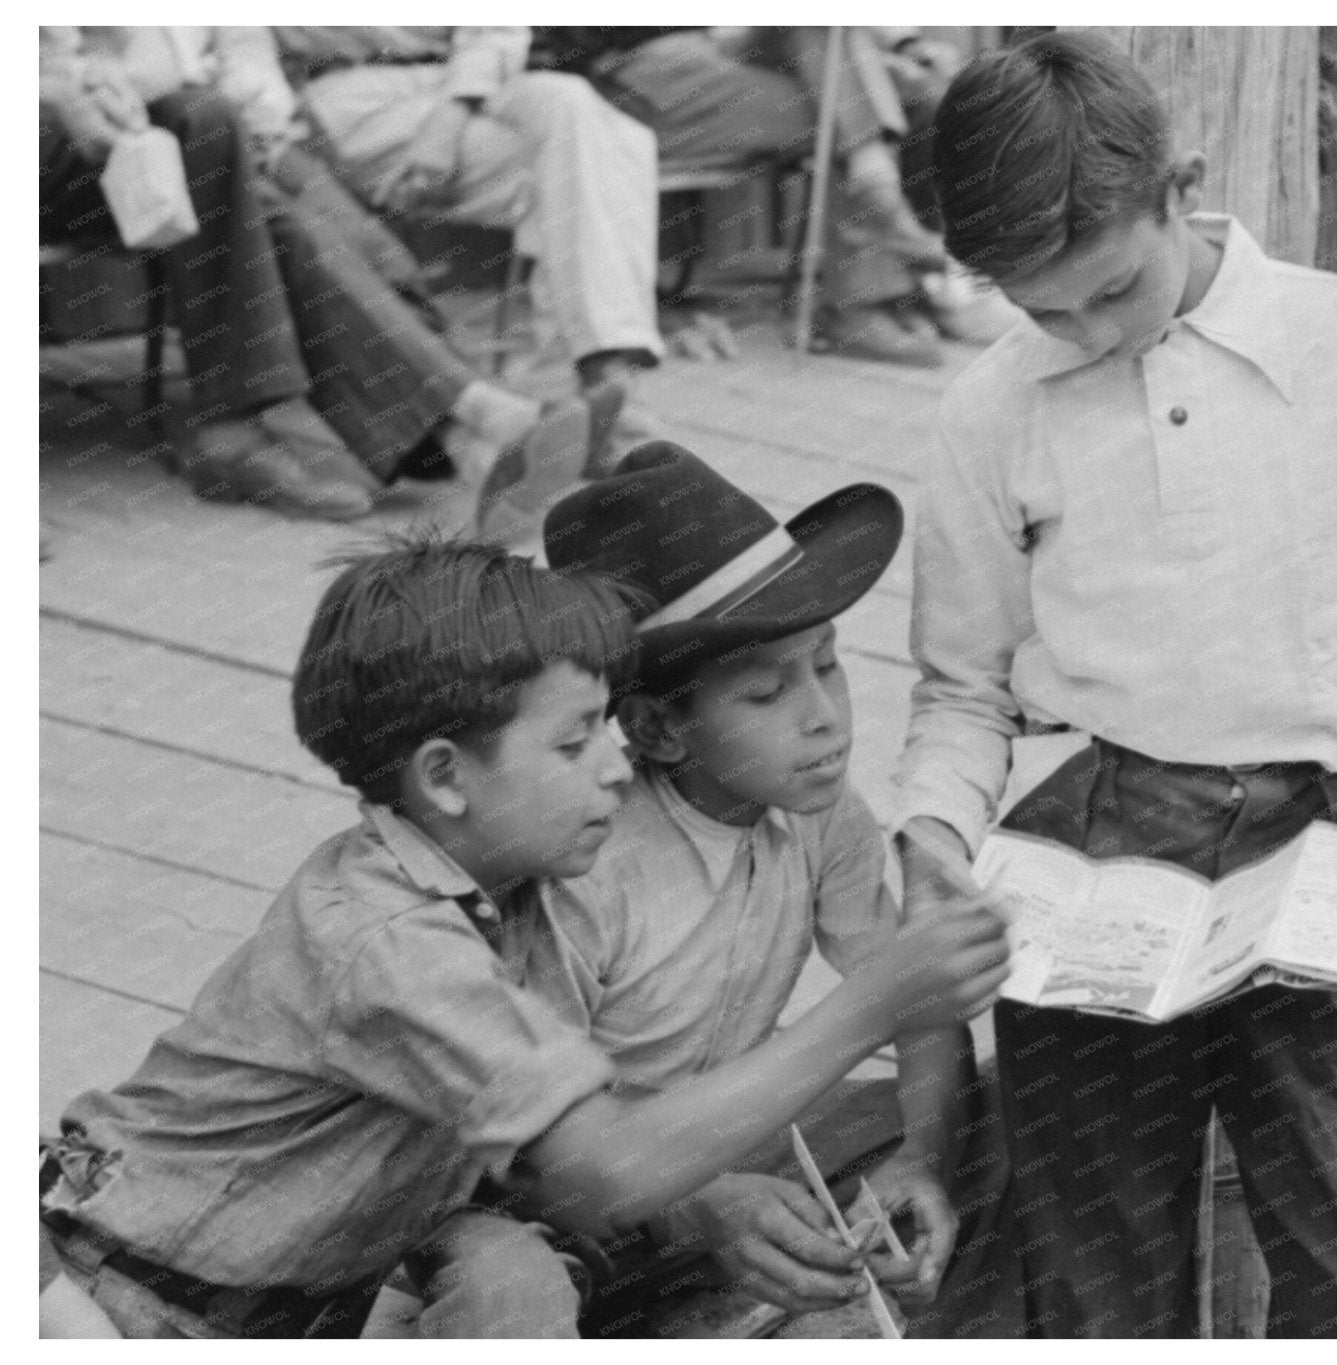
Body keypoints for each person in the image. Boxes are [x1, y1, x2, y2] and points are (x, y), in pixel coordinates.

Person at [893, 32, 1337, 1338]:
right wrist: (931, 837)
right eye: (1042, 310)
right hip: (1099, 847)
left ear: (1179, 188)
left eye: (1112, 289)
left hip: (1327, 842)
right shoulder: (989, 410)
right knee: (1096, 1273)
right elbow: (961, 689)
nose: (1086, 334)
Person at [37, 537, 1010, 1338]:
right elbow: (605, 1170)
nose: (615, 770)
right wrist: (870, 1005)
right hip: (111, 1294)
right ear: (445, 778)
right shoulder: (392, 942)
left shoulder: (486, 890)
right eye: (574, 741)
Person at [402, 442, 1000, 1336]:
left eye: (827, 663)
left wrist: (921, 1156)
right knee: (511, 1289)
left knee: (995, 1103)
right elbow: (531, 1154)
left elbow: (915, 1002)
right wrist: (703, 1203)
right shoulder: (584, 865)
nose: (824, 716)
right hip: (530, 1198)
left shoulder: (822, 816)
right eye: (765, 693)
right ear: (656, 729)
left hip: (709, 1156)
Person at [247, 26, 672, 465]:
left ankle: (598, 376)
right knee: (586, 168)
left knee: (575, 108)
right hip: (347, 100)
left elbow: (494, 28)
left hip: (470, 79)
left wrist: (450, 117)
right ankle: (589, 392)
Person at [39, 26, 370, 520]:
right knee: (279, 214)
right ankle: (449, 411)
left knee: (207, 120)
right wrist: (61, 86)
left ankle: (233, 432)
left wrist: (97, 75)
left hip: (88, 137)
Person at [530, 26, 955, 366]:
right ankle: (876, 272)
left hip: (720, 53)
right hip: (636, 75)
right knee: (859, 101)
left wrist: (903, 41)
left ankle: (881, 215)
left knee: (854, 73)